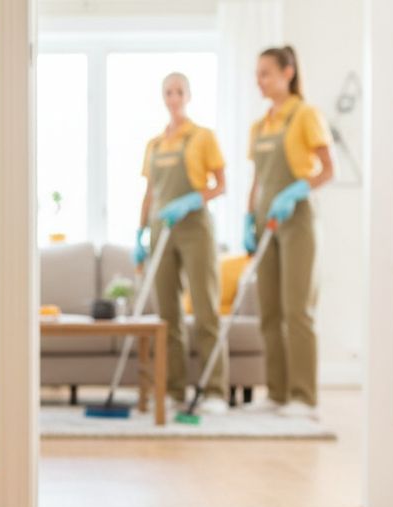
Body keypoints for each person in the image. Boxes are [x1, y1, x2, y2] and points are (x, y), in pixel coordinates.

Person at [243, 45, 334, 420]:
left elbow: (328, 170)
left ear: (288, 72)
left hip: (297, 220)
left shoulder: (305, 115)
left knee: (297, 310)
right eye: (257, 73)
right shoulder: (260, 124)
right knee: (270, 311)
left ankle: (304, 396)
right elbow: (258, 179)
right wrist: (248, 218)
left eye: (266, 72)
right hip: (267, 223)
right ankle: (277, 393)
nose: (259, 80)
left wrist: (298, 190)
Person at [134, 72, 228, 415]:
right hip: (162, 232)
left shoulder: (202, 137)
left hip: (194, 229)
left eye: (178, 91)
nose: (173, 97)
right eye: (167, 92)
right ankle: (174, 389)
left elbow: (221, 185)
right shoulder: (154, 144)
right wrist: (140, 232)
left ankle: (215, 390)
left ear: (188, 95)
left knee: (205, 310)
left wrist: (191, 201)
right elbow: (150, 193)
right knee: (168, 316)